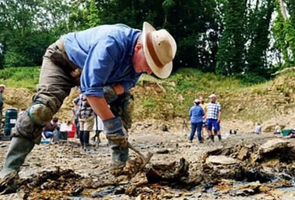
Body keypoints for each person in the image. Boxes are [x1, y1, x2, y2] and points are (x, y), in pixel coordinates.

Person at [0, 21, 176, 192]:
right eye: (150, 64)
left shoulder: (138, 63)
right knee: (42, 110)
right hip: (63, 61)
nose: (150, 71)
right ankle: (9, 171)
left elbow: (126, 84)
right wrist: (112, 126)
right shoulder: (112, 42)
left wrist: (110, 93)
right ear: (139, 48)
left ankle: (121, 165)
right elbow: (91, 91)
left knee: (125, 104)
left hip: (100, 76)